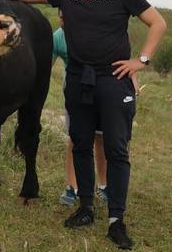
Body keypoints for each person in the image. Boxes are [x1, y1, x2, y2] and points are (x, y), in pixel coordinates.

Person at [6, 0, 166, 250]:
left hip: (113, 79)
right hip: (80, 80)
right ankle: (85, 208)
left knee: (116, 149)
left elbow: (158, 23)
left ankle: (116, 220)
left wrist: (141, 61)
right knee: (80, 143)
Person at [54, 13, 140, 208]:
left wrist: (132, 79)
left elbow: (123, 59)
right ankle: (72, 186)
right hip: (77, 88)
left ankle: (103, 185)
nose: (64, 20)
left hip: (105, 87)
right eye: (61, 16)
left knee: (102, 138)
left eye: (67, 16)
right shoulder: (58, 37)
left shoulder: (99, 32)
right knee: (76, 138)